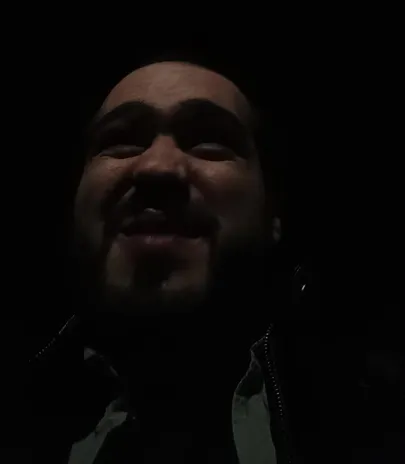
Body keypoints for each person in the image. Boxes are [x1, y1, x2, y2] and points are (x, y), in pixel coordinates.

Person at [29, 53, 404, 464]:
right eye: (121, 141)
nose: (156, 167)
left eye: (209, 143)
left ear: (272, 212)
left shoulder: (382, 412)